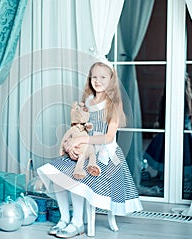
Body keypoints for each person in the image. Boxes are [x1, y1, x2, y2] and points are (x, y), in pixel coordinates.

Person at [37, 61, 143, 238]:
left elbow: (108, 138)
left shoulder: (113, 105)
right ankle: (64, 218)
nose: (97, 80)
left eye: (102, 77)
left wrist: (82, 139)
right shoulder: (87, 101)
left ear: (111, 80)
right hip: (85, 150)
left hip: (105, 157)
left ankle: (77, 223)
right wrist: (72, 144)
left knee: (77, 178)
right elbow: (81, 128)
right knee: (57, 174)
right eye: (94, 76)